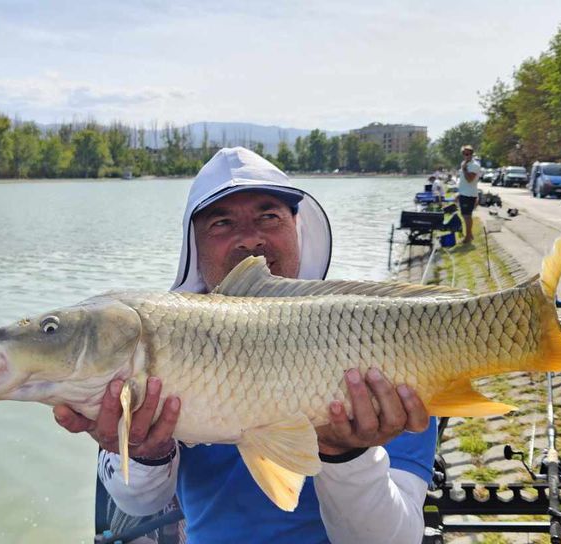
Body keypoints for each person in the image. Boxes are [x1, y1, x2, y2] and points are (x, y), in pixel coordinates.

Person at [54, 147, 439, 543]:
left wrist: (348, 454)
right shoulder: (160, 345)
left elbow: (394, 539)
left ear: (297, 227)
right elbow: (138, 503)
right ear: (195, 248)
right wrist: (144, 452)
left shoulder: (374, 335)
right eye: (221, 223)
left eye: (268, 216)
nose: (250, 240)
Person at [456, 145, 482, 244]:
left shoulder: (474, 165)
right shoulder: (464, 163)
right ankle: (470, 235)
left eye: (467, 154)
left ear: (471, 154)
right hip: (463, 193)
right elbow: (463, 181)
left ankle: (468, 237)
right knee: (464, 214)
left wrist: (464, 169)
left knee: (467, 216)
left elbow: (470, 179)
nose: (466, 156)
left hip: (469, 194)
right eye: (464, 154)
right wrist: (459, 193)